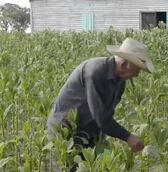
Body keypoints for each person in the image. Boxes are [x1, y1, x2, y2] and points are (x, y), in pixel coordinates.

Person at [47, 37, 155, 171]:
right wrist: (129, 137)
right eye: (137, 69)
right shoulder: (95, 72)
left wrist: (101, 140)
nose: (137, 74)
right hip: (66, 131)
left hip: (88, 131)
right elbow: (101, 118)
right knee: (69, 168)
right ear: (123, 65)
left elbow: (107, 115)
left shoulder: (120, 81)